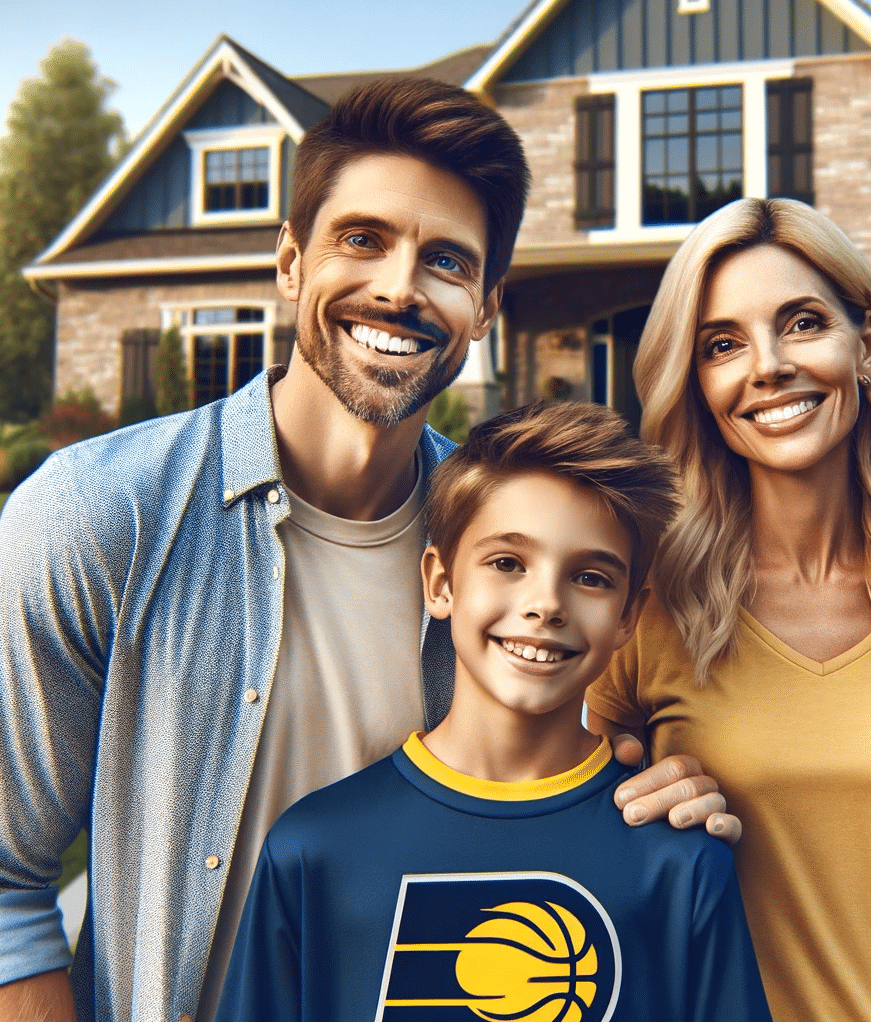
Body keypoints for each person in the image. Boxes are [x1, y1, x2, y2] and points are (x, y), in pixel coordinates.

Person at [0, 78, 731, 1022]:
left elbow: (565, 752)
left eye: (447, 262)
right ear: (292, 263)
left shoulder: (506, 549)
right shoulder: (99, 515)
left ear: (486, 306)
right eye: (363, 239)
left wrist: (657, 787)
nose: (398, 286)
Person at [586, 197, 871, 1022]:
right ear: (696, 383)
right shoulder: (644, 607)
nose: (769, 365)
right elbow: (588, 882)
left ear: (865, 343)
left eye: (803, 322)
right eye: (722, 345)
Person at [216, 400, 772, 1022]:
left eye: (590, 577)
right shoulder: (313, 851)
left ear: (628, 618)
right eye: (508, 563)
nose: (545, 604)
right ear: (441, 583)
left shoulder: (679, 859)